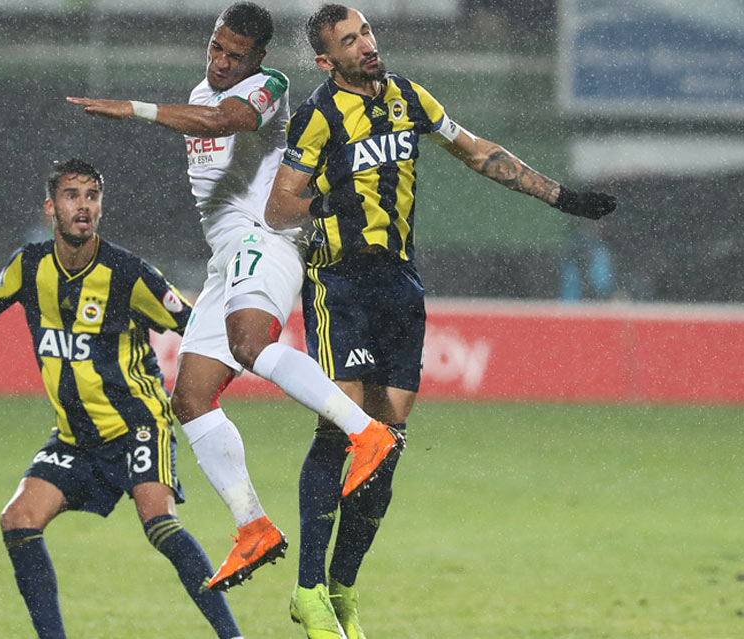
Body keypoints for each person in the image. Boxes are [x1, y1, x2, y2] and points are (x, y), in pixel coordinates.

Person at [263, 5, 617, 638]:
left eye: (366, 31)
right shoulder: (315, 116)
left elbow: (478, 153)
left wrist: (561, 198)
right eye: (350, 41)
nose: (367, 45)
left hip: (399, 283)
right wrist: (331, 203)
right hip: (341, 282)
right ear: (325, 60)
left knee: (388, 440)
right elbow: (278, 206)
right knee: (342, 429)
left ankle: (344, 585)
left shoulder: (408, 97)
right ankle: (308, 589)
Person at [66, 1, 404, 593]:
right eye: (216, 48)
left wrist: (136, 109)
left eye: (234, 54)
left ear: (259, 58)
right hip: (226, 258)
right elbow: (207, 123)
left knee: (250, 345)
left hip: (267, 239)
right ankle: (252, 527)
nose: (222, 62)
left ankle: (366, 432)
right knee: (192, 398)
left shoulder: (266, 87)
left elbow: (224, 122)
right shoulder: (202, 90)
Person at [0, 159, 243, 639]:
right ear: (50, 207)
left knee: (159, 523)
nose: (84, 206)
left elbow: (196, 326)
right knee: (18, 521)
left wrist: (215, 376)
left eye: (92, 196)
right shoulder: (29, 265)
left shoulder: (128, 273)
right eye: (72, 195)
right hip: (76, 438)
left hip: (137, 425)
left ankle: (233, 637)